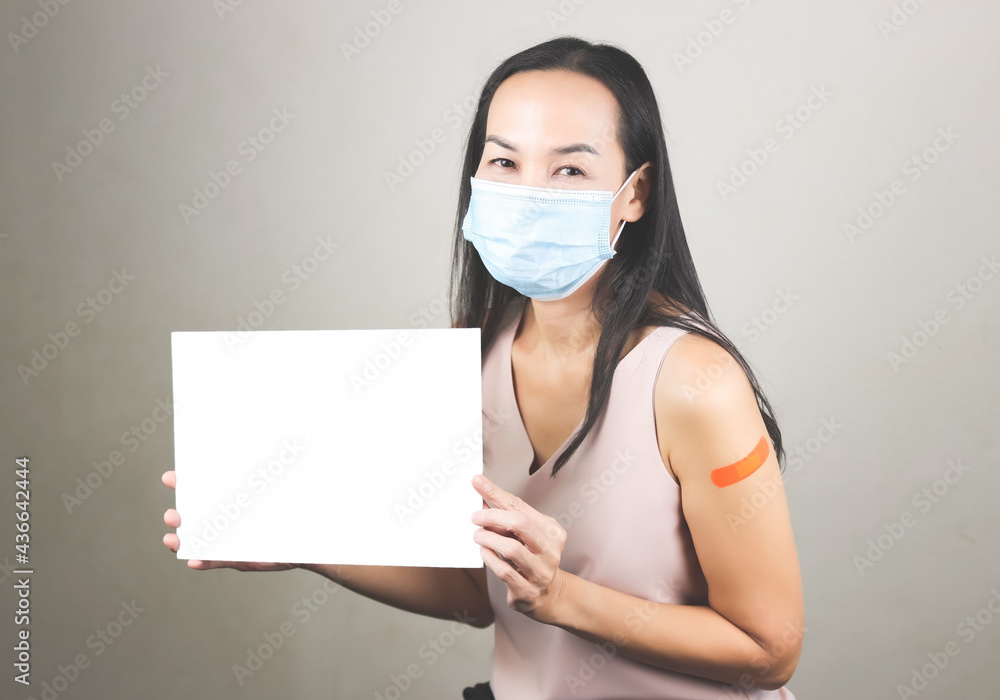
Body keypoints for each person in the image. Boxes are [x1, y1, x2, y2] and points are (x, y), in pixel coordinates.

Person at [163, 35, 802, 700]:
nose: (528, 194)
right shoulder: (472, 355)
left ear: (636, 192)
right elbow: (478, 592)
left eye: (569, 170)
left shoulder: (695, 383)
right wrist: (304, 542)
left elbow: (769, 650)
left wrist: (562, 596)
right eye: (504, 161)